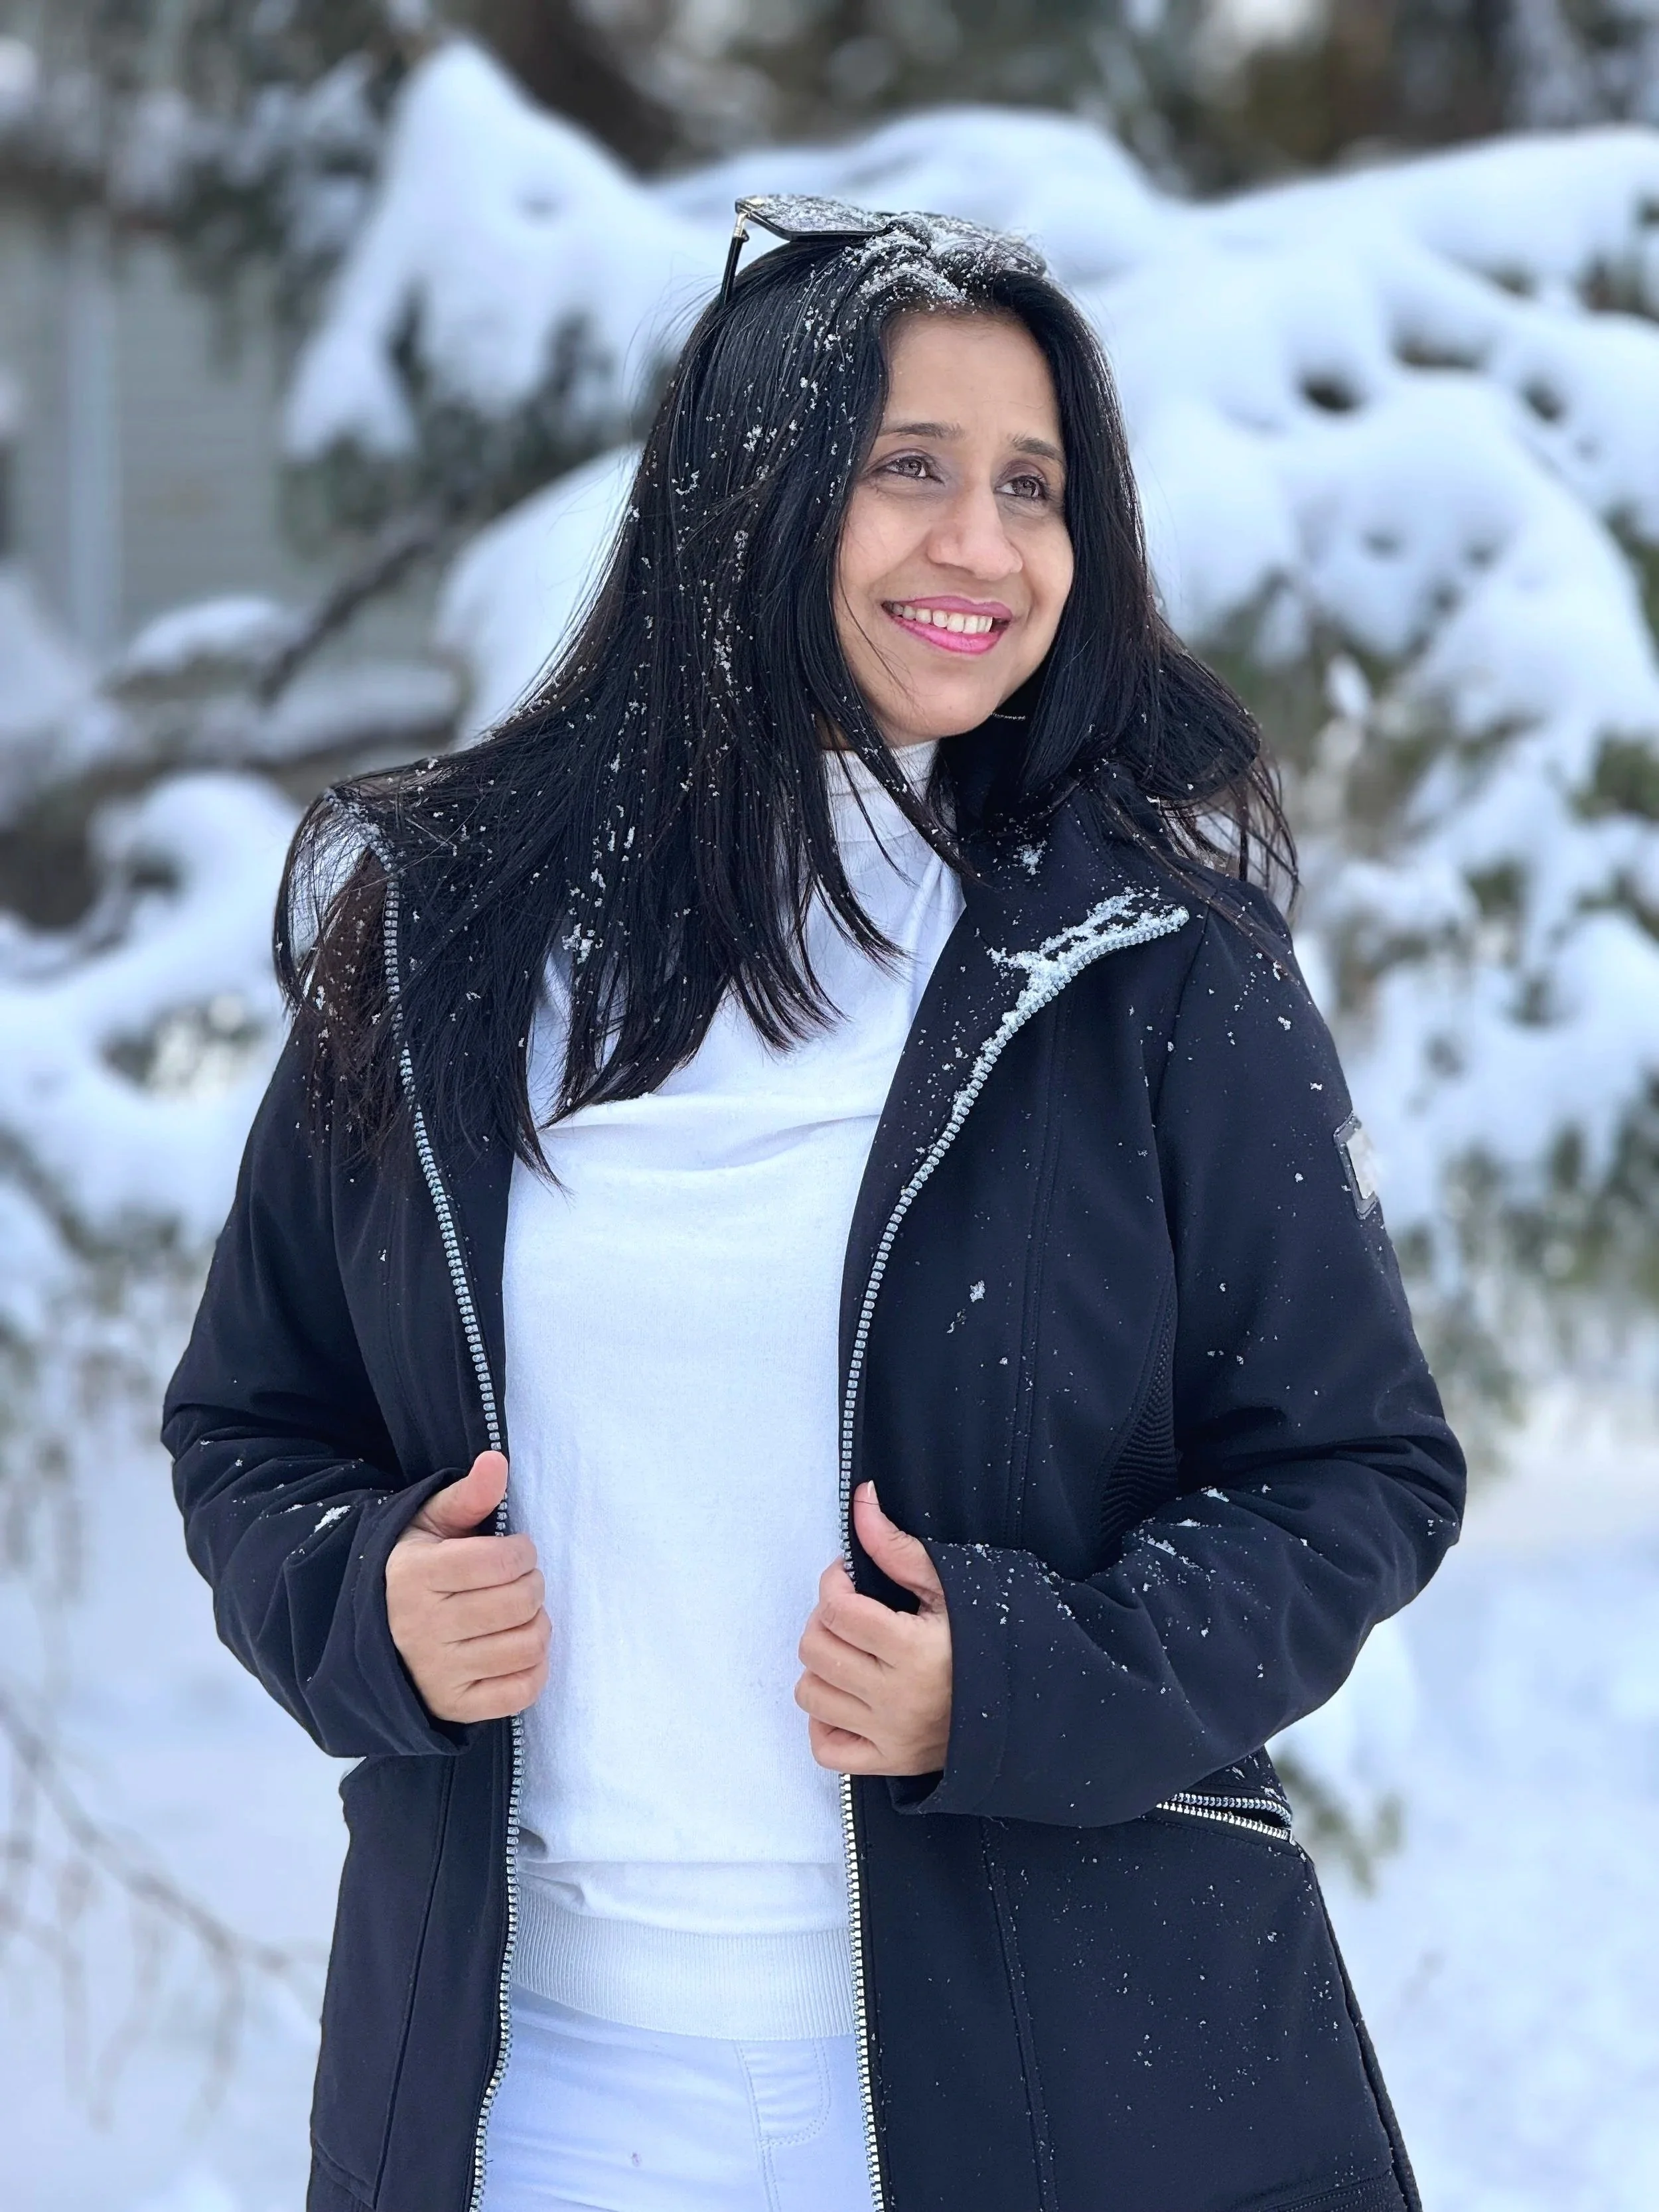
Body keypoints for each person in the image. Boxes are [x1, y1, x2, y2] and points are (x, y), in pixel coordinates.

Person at [164, 200, 1464, 2212]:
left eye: (1033, 488)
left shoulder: (1148, 965)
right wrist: (365, 1599)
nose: (984, 546)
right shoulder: (448, 949)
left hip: (1059, 2092)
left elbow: (1356, 1472)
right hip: (545, 2100)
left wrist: (1028, 1672)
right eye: (909, 470)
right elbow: (252, 1424)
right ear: (749, 497)